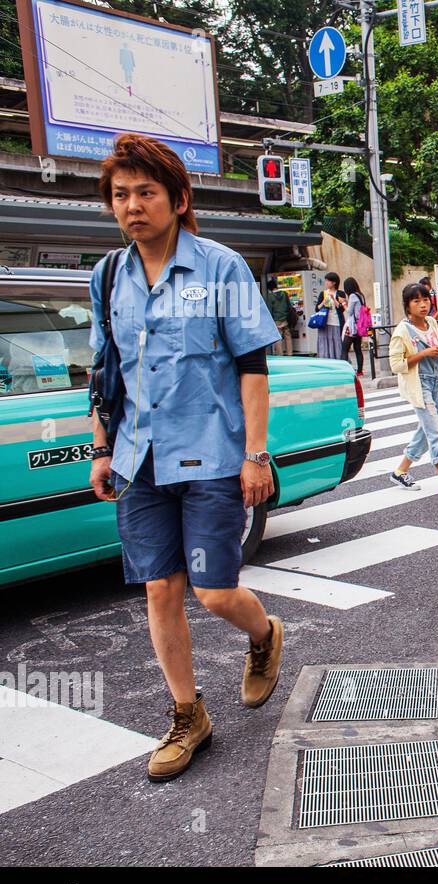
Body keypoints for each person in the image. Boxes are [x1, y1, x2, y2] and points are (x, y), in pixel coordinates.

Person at [86, 134, 285, 782]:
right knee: (159, 589)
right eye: (121, 195)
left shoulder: (221, 268)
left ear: (177, 198)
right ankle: (186, 714)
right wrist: (101, 447)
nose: (132, 206)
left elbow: (252, 367)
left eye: (145, 192)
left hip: (212, 457)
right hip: (139, 460)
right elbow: (103, 370)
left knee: (215, 591)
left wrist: (256, 455)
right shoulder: (108, 277)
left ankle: (263, 635)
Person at [387, 283, 438, 500]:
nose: (423, 305)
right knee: (436, 432)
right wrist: (424, 354)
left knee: (425, 430)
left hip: (437, 382)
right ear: (407, 305)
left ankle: (400, 471)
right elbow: (396, 365)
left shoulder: (432, 323)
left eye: (425, 300)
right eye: (417, 301)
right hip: (419, 384)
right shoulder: (402, 331)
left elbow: (435, 357)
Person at [314, 272, 346, 361]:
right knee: (324, 342)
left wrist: (334, 299)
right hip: (324, 323)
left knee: (337, 342)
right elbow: (317, 308)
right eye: (326, 281)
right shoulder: (323, 293)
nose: (326, 283)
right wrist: (324, 301)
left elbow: (341, 309)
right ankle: (326, 361)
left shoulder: (340, 294)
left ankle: (339, 360)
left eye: (328, 281)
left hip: (336, 322)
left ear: (334, 283)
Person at [341, 276, 367, 375]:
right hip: (360, 326)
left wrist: (343, 303)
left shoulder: (352, 296)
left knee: (344, 348)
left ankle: (344, 371)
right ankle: (360, 371)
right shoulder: (361, 295)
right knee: (357, 349)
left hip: (353, 327)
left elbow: (349, 311)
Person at [266, 275, 295, 356]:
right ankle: (290, 354)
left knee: (278, 338)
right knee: (288, 336)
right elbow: (289, 306)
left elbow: (269, 309)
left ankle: (280, 355)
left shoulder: (271, 297)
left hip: (276, 320)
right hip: (285, 319)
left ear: (269, 288)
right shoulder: (284, 294)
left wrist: (270, 321)